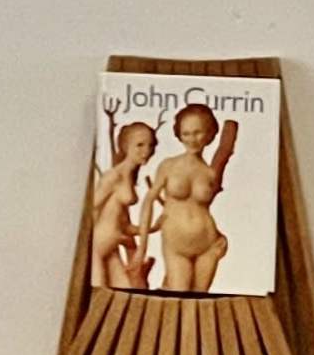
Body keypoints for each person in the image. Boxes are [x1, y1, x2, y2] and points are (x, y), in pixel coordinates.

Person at [145, 101, 241, 295]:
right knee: (178, 297)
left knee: (199, 302)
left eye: (198, 132)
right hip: (176, 245)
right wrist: (141, 251)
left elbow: (200, 208)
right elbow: (147, 202)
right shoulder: (168, 165)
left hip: (208, 245)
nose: (192, 139)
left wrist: (218, 236)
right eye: (186, 133)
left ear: (209, 134)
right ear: (179, 134)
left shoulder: (209, 173)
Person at [85, 107, 158, 292]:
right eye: (140, 145)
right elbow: (91, 209)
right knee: (100, 297)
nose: (146, 151)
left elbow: (122, 222)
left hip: (111, 248)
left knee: (127, 294)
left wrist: (155, 227)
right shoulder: (113, 176)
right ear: (126, 146)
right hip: (97, 249)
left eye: (150, 145)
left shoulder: (128, 176)